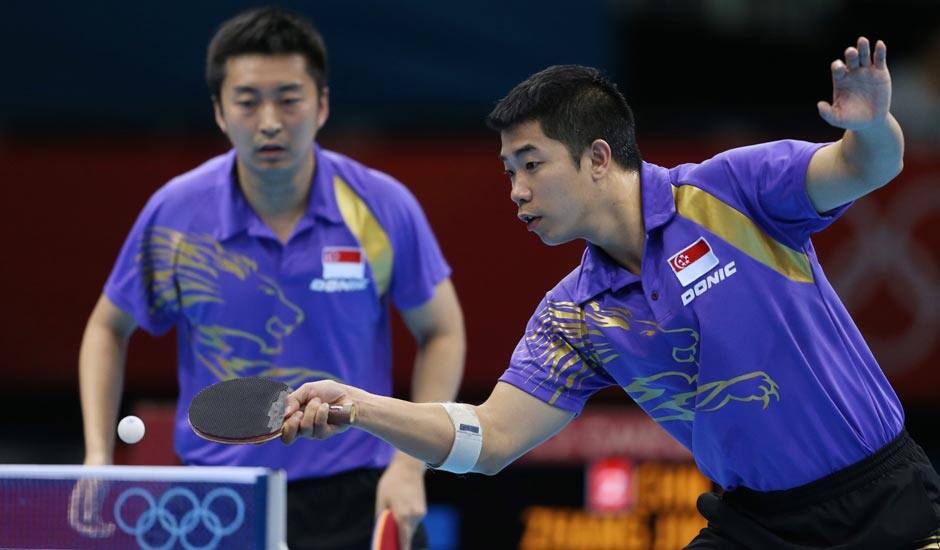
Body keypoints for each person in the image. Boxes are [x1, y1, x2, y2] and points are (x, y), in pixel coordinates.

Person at [281, 37, 940, 548]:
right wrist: (362, 407)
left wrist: (873, 126)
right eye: (509, 171)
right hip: (758, 526)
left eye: (532, 165)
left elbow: (865, 166)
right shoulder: (574, 316)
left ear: (598, 157)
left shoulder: (730, 192)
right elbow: (489, 439)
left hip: (883, 501)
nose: (516, 190)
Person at [76, 7, 465, 550]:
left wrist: (409, 465)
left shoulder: (380, 206)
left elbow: (442, 330)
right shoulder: (176, 214)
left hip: (356, 492)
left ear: (322, 104)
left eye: (289, 97)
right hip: (216, 496)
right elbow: (106, 329)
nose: (269, 121)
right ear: (219, 111)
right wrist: (98, 456)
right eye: (247, 100)